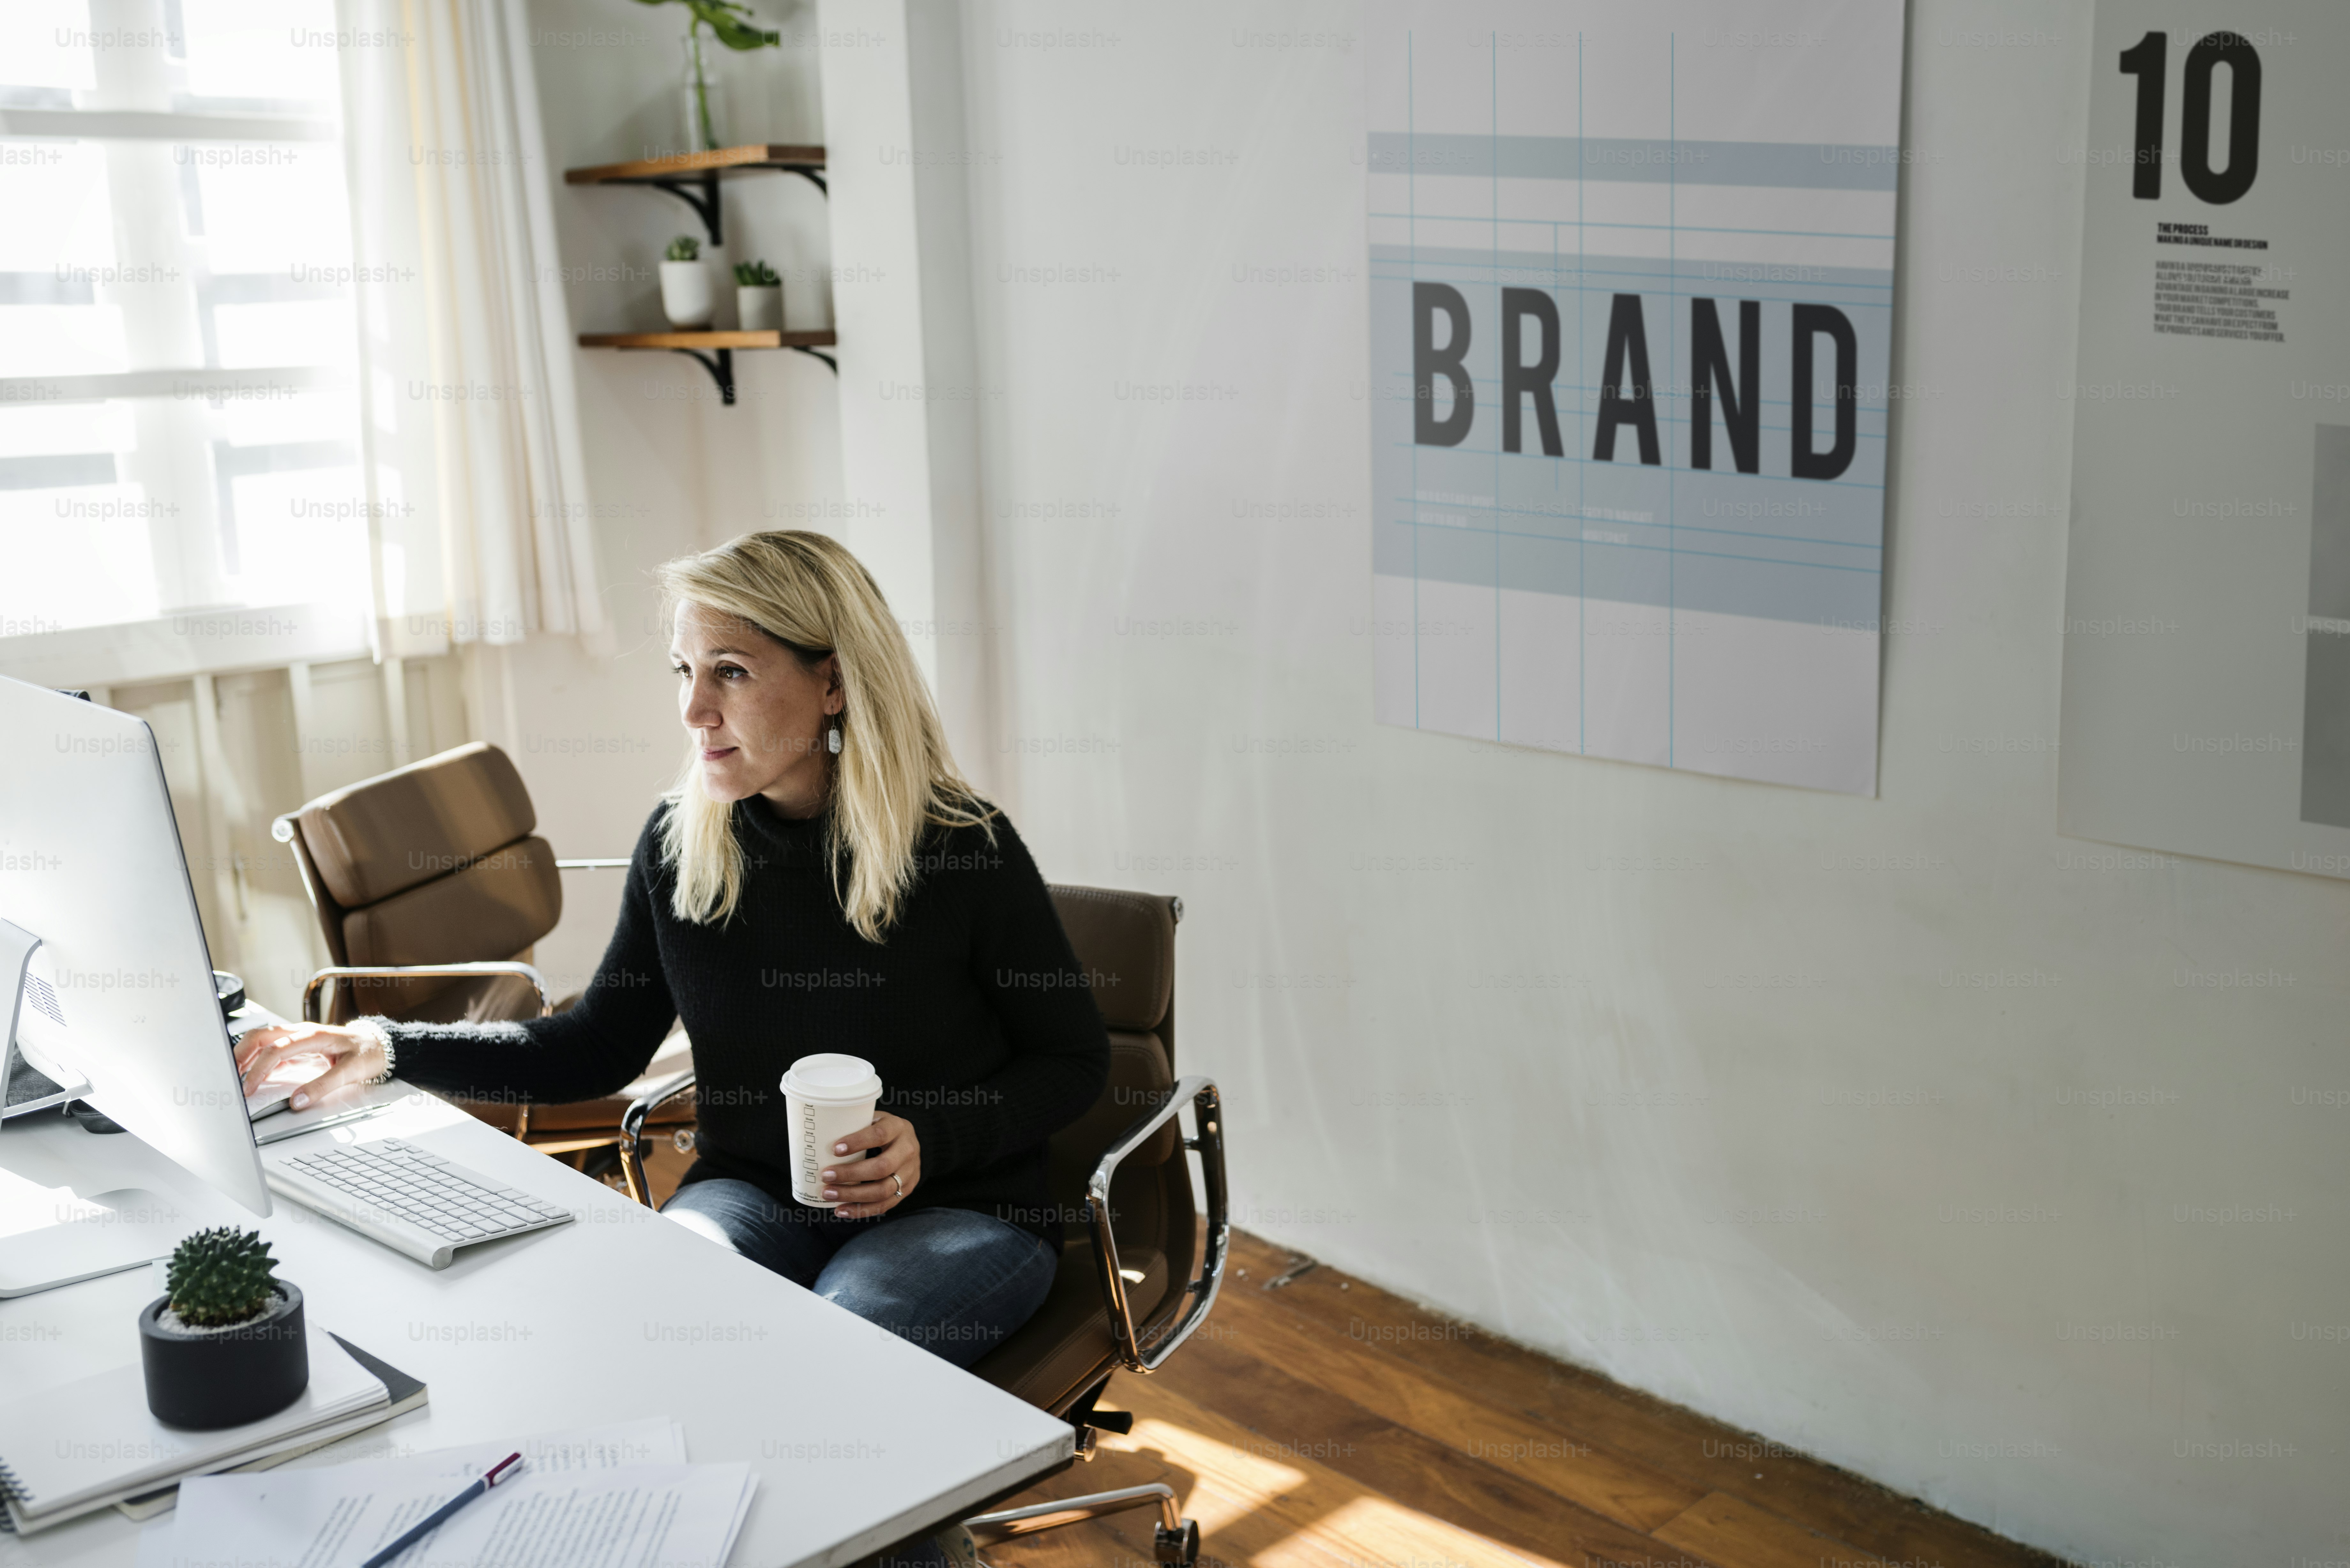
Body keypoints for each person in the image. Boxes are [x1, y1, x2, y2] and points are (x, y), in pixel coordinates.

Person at [237, 530, 1110, 1370]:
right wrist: (384, 1047)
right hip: (753, 1197)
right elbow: (595, 1047)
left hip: (961, 1210)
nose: (695, 711)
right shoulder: (681, 843)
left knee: (841, 1349)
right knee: (655, 1316)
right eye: (685, 671)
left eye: (731, 672)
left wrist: (933, 1138)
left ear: (834, 684)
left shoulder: (961, 847)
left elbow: (1072, 1060)